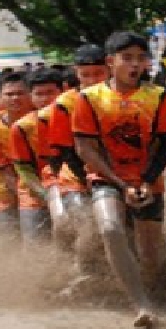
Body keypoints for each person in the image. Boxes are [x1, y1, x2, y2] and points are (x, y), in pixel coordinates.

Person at [73, 31, 166, 329]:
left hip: (148, 180)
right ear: (111, 62)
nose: (134, 64)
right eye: (127, 58)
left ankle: (152, 290)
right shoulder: (90, 98)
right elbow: (85, 148)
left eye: (140, 58)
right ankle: (141, 304)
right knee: (110, 227)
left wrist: (144, 180)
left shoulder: (157, 97)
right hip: (107, 178)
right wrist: (121, 185)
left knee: (150, 257)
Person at [47, 45, 111, 255]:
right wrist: (88, 181)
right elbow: (65, 151)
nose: (93, 80)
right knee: (88, 227)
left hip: (120, 173)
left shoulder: (124, 97)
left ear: (109, 69)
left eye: (99, 73)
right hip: (76, 177)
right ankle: (83, 274)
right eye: (86, 75)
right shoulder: (65, 104)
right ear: (77, 74)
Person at [8, 68, 65, 243]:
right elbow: (23, 168)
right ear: (31, 97)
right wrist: (45, 194)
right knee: (35, 244)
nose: (45, 99)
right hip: (34, 195)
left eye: (50, 93)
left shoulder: (74, 118)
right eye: (38, 94)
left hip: (69, 187)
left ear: (62, 92)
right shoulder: (22, 127)